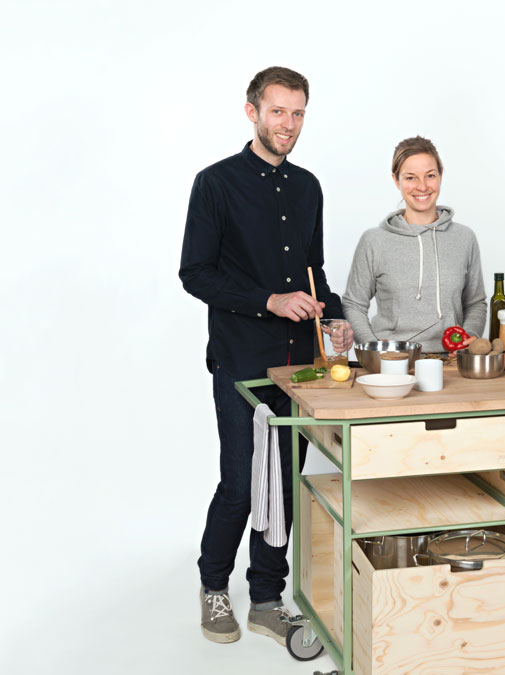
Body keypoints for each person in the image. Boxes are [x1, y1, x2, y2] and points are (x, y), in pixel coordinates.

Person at [179, 66, 348, 647]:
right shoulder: (215, 183)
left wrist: (338, 316)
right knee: (241, 483)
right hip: (241, 362)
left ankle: (268, 599)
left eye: (298, 113)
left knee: (284, 482)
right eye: (278, 111)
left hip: (301, 365)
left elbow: (314, 272)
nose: (289, 124)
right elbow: (194, 274)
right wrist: (268, 301)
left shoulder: (308, 187)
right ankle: (213, 586)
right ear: (252, 111)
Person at [343, 136, 487, 352]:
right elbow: (354, 304)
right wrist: (373, 348)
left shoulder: (464, 238)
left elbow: (475, 303)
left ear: (440, 176)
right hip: (392, 360)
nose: (422, 186)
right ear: (396, 180)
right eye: (411, 178)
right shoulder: (374, 240)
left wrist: (469, 338)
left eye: (430, 175)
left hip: (452, 361)